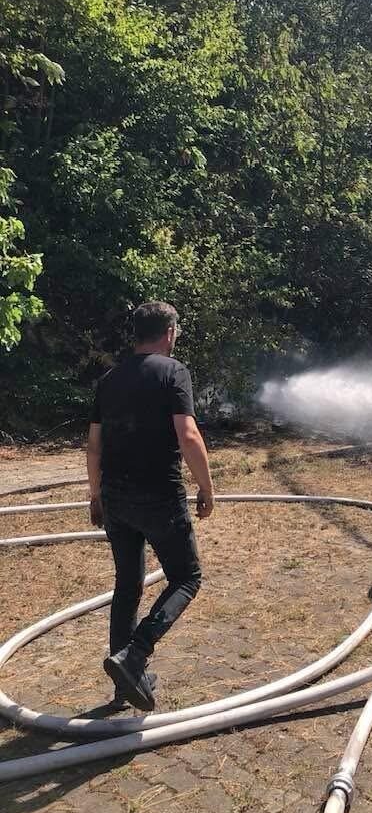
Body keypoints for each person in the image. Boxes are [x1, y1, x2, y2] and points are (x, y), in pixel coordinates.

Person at [87, 302, 215, 710]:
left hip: (115, 497)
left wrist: (95, 496)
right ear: (169, 332)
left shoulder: (108, 380)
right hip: (158, 495)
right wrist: (207, 487)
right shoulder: (173, 372)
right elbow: (188, 434)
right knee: (186, 577)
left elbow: (94, 445)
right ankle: (135, 653)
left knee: (128, 583)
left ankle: (126, 682)